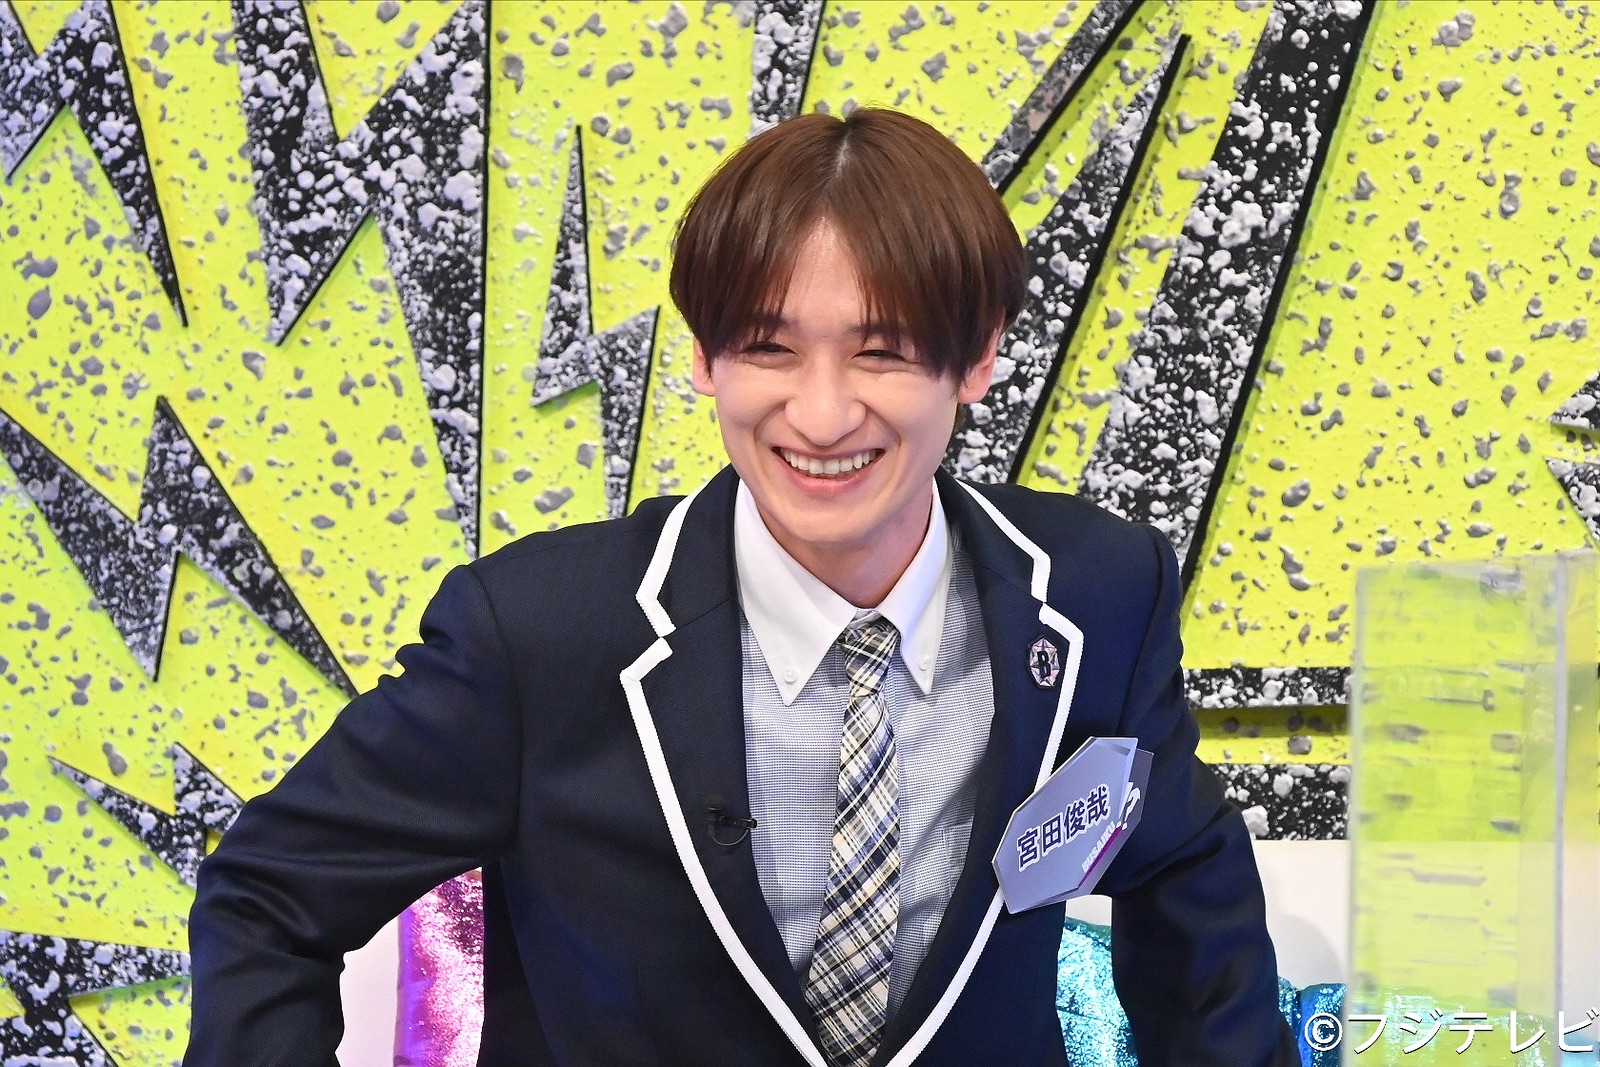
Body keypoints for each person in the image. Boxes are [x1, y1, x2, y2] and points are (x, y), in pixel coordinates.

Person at [185, 108, 1297, 1067]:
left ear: (978, 358)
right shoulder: (538, 633)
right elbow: (271, 892)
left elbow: (1185, 869)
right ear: (705, 358)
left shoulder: (1100, 591)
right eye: (768, 348)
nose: (820, 414)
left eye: (882, 351)